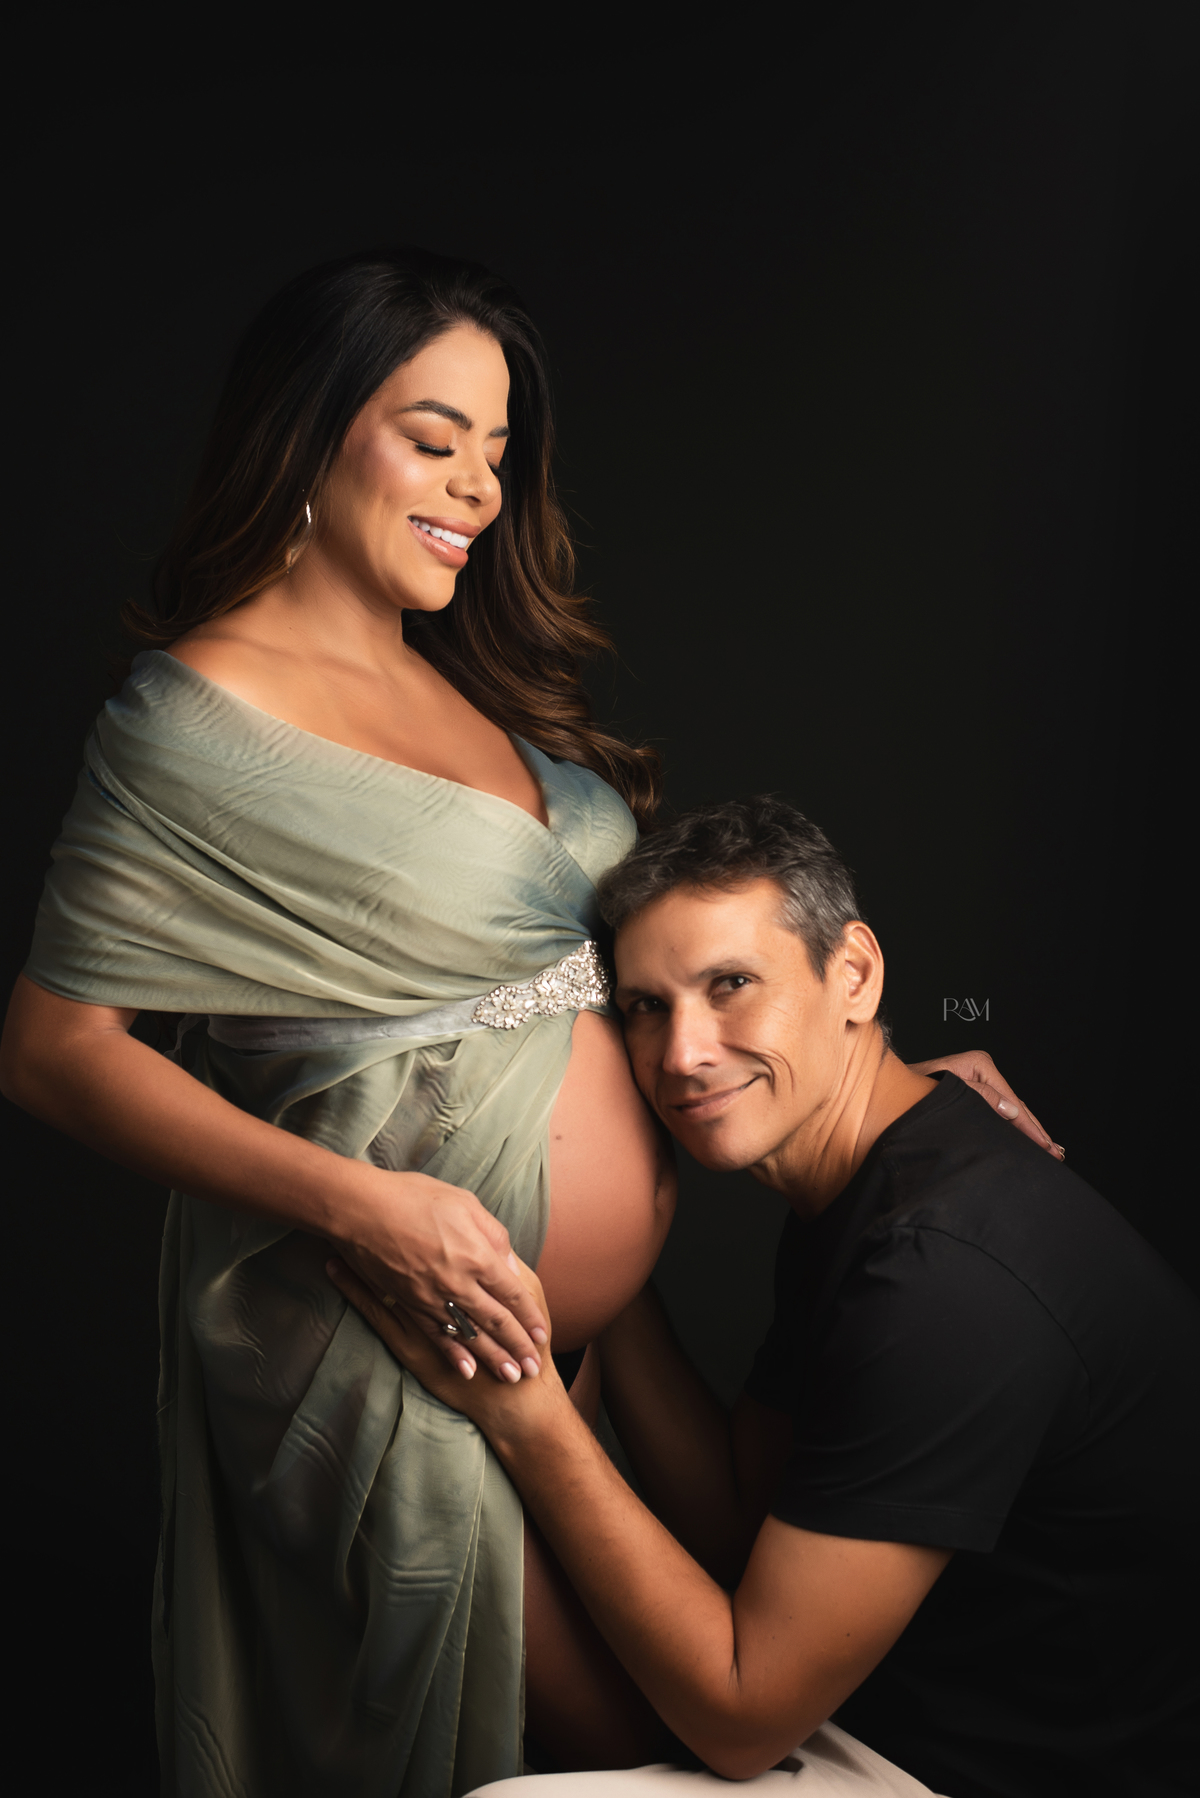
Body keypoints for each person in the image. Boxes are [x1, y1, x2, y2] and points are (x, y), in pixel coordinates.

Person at [0, 252, 1049, 1796]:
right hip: (399, 1339)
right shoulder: (189, 722)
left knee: (714, 1722)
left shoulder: (466, 680)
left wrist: (864, 1068)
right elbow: (54, 1049)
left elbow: (609, 966)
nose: (479, 489)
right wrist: (367, 1204)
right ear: (306, 432)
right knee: (641, 1758)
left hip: (580, 1343)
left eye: (496, 452)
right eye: (435, 439)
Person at [334, 797, 1200, 1796]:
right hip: (875, 1710)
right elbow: (739, 1521)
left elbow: (742, 1718)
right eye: (646, 1006)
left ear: (855, 975)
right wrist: (600, 1266)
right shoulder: (868, 1183)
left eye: (731, 985)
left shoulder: (942, 1276)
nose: (682, 1053)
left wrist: (526, 1414)